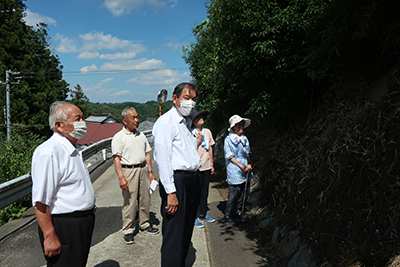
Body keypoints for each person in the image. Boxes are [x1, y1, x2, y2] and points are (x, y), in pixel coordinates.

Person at [31, 101, 96, 267]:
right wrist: (49, 235)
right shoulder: (49, 152)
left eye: (83, 118)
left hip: (81, 222)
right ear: (59, 125)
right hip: (64, 225)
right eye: (77, 119)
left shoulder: (75, 149)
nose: (83, 123)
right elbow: (40, 201)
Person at [153, 82, 202, 267]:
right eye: (187, 98)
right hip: (177, 181)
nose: (191, 103)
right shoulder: (166, 122)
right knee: (174, 234)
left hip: (192, 179)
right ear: (175, 99)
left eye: (194, 99)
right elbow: (163, 160)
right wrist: (171, 192)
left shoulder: (187, 122)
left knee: (186, 229)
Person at [111, 107, 159, 245]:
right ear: (125, 121)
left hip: (143, 168)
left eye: (137, 117)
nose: (137, 120)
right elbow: (116, 159)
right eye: (133, 118)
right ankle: (128, 230)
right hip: (129, 171)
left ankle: (144, 224)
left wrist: (150, 171)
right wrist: (121, 177)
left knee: (145, 199)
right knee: (130, 202)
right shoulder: (119, 137)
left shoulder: (141, 135)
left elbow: (147, 154)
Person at [224, 114, 254, 223]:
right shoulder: (228, 140)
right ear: (233, 127)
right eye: (238, 125)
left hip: (245, 169)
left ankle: (240, 211)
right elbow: (229, 156)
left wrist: (249, 164)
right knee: (234, 193)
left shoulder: (244, 139)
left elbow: (247, 152)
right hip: (235, 169)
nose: (241, 127)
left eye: (242, 125)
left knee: (244, 193)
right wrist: (241, 166)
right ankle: (228, 213)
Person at [188, 109, 216, 228]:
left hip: (206, 165)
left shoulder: (207, 132)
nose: (201, 119)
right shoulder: (190, 132)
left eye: (201, 117)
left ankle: (203, 214)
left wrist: (212, 165)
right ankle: (193, 217)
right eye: (198, 118)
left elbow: (210, 148)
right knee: (195, 194)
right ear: (193, 121)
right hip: (195, 167)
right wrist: (198, 141)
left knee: (204, 192)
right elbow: (189, 150)